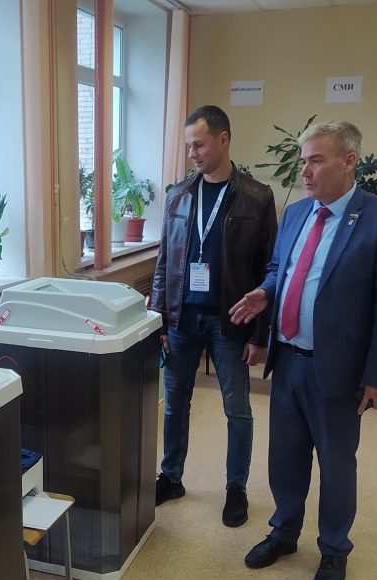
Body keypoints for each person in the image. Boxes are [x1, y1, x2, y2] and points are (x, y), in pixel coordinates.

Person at [229, 120, 377, 580]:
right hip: (289, 359)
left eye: (316, 160)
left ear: (349, 161)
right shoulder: (296, 213)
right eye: (303, 160)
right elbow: (280, 268)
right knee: (285, 457)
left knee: (336, 464)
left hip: (339, 369)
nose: (305, 171)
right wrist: (266, 293)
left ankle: (333, 548)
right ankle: (284, 532)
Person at [150, 105, 277, 528]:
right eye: (188, 146)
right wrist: (159, 320)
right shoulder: (178, 195)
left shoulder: (257, 197)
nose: (193, 153)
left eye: (199, 145)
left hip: (231, 323)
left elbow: (270, 270)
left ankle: (236, 489)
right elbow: (164, 262)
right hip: (182, 321)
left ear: (223, 140)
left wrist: (259, 334)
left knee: (237, 410)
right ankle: (171, 477)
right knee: (175, 406)